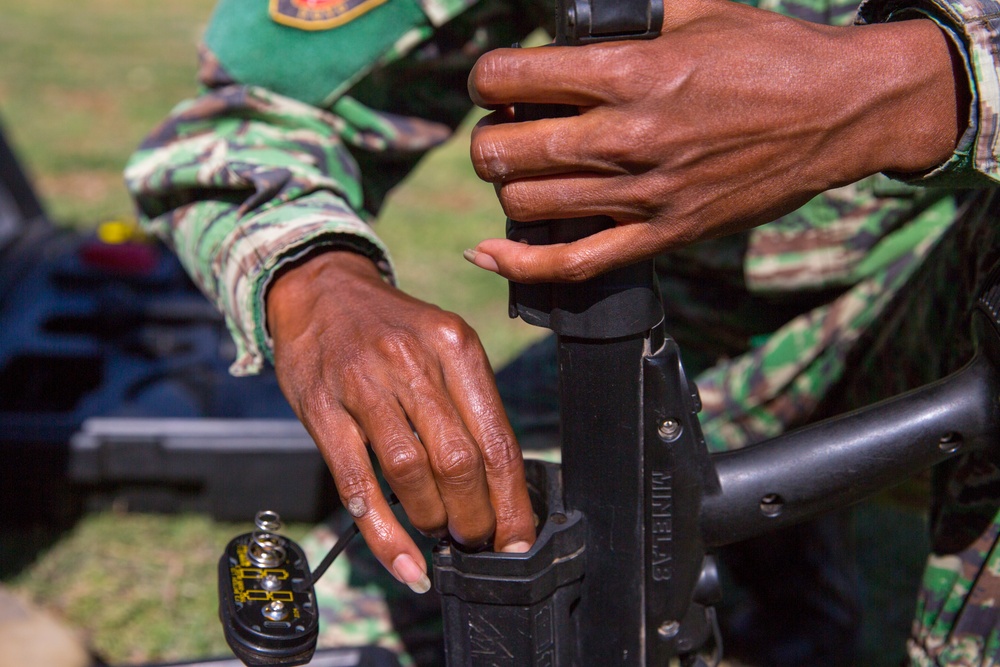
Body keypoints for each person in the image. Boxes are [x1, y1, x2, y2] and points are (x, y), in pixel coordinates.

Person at [124, 0, 1000, 663]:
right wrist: (315, 277)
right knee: (405, 615)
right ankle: (781, 583)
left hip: (941, 309)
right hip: (647, 354)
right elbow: (250, 111)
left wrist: (916, 82)